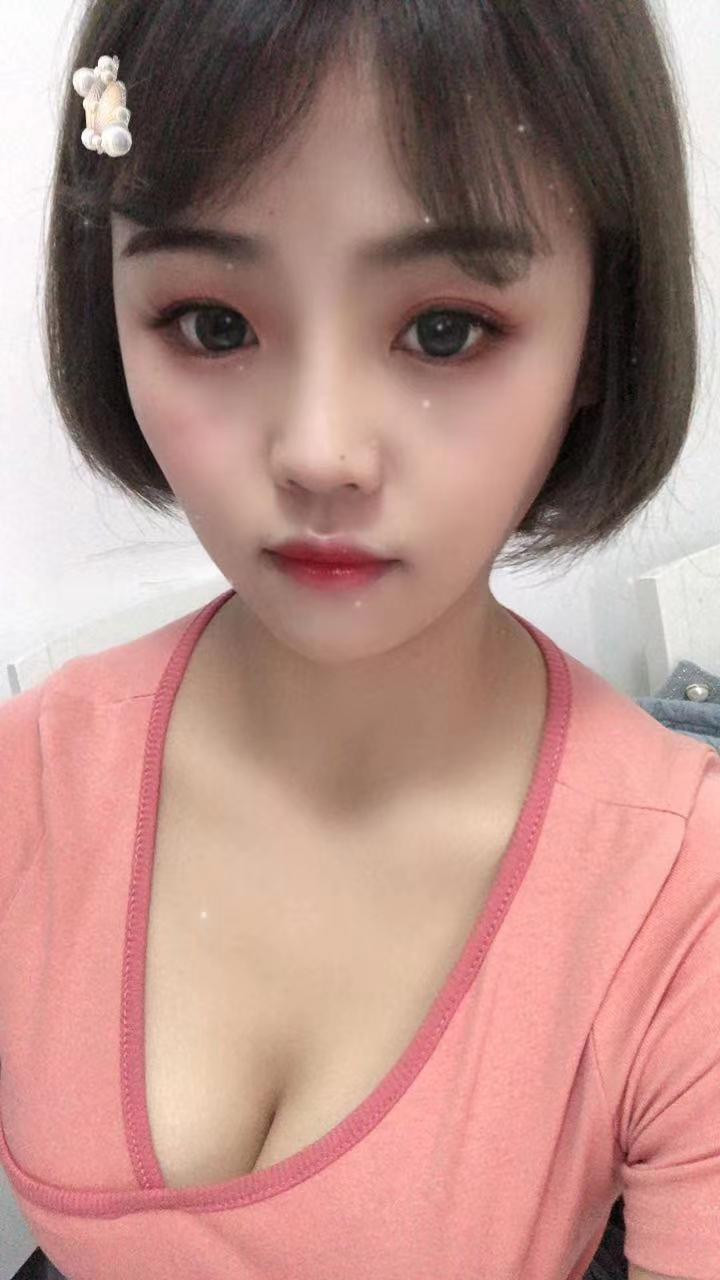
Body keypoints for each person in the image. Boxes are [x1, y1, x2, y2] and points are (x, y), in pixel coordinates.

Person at [0, 2, 717, 1278]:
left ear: (598, 337)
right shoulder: (29, 782)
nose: (320, 451)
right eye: (213, 322)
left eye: (445, 329)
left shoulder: (682, 906)